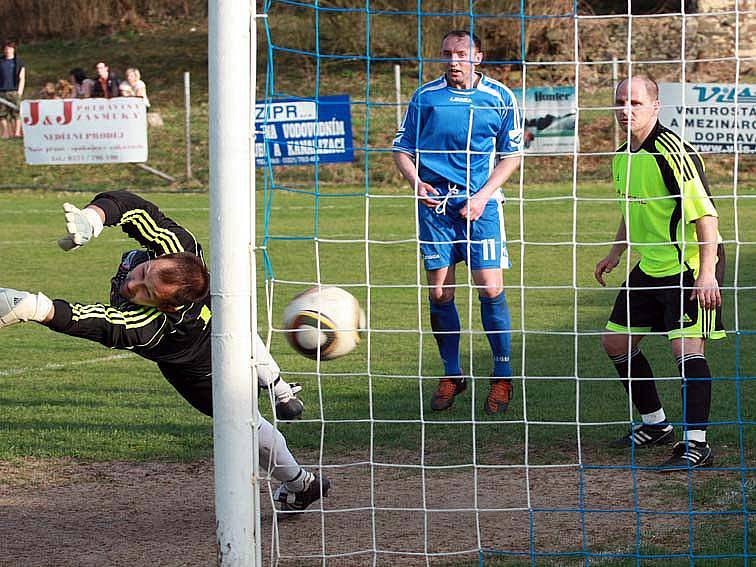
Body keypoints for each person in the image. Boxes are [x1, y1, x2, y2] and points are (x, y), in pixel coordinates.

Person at [0, 191, 330, 511]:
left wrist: (32, 306)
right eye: (144, 274)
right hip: (225, 324)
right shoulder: (181, 250)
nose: (133, 284)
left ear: (168, 307)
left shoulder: (155, 328)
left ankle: (302, 483)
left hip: (200, 370)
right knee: (234, 318)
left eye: (146, 292)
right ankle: (280, 389)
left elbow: (96, 322)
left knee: (246, 423)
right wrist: (93, 219)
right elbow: (135, 208)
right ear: (163, 256)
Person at [595, 76, 725, 469]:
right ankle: (655, 426)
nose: (625, 110)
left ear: (655, 107)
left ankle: (696, 444)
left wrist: (707, 274)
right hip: (650, 267)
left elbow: (706, 217)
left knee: (685, 350)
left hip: (688, 266)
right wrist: (616, 252)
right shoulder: (622, 156)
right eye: (620, 102)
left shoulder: (672, 153)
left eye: (635, 102)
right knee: (615, 344)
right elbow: (633, 208)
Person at [392, 30, 522, 415]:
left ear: (478, 57)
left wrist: (483, 196)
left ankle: (502, 375)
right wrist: (417, 183)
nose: (453, 60)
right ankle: (452, 373)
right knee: (439, 294)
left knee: (490, 288)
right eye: (447, 53)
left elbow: (511, 155)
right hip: (435, 207)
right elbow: (401, 148)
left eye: (461, 54)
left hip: (482, 206)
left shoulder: (499, 97)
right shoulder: (425, 96)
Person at [0, 40, 26, 138]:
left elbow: (22, 78)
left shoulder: (19, 62)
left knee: (17, 113)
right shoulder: (1, 61)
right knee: (2, 114)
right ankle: (5, 133)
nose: (8, 51)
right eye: (6, 49)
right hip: (1, 92)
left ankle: (17, 133)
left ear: (14, 50)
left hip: (14, 92)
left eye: (10, 49)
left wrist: (20, 92)